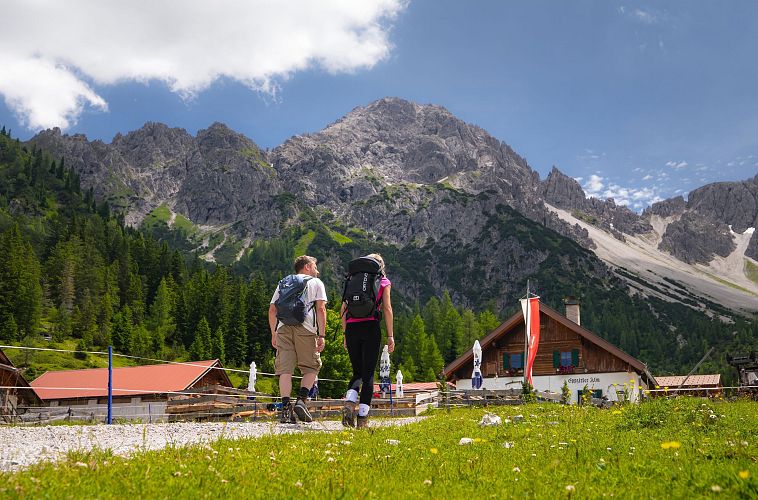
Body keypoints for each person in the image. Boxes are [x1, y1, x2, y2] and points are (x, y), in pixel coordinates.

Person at [268, 255, 327, 423]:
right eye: (315, 266)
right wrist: (321, 335)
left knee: (285, 370)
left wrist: (274, 333)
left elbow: (272, 310)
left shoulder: (284, 282)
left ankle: (286, 410)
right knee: (311, 367)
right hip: (306, 328)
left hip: (283, 328)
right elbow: (321, 309)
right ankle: (301, 400)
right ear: (307, 266)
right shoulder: (316, 282)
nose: (317, 269)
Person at [341, 253, 394, 429]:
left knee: (356, 372)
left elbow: (343, 308)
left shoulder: (352, 279)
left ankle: (349, 403)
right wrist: (390, 335)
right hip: (371, 328)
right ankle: (362, 420)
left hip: (351, 328)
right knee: (368, 374)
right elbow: (386, 308)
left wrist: (345, 334)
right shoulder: (383, 282)